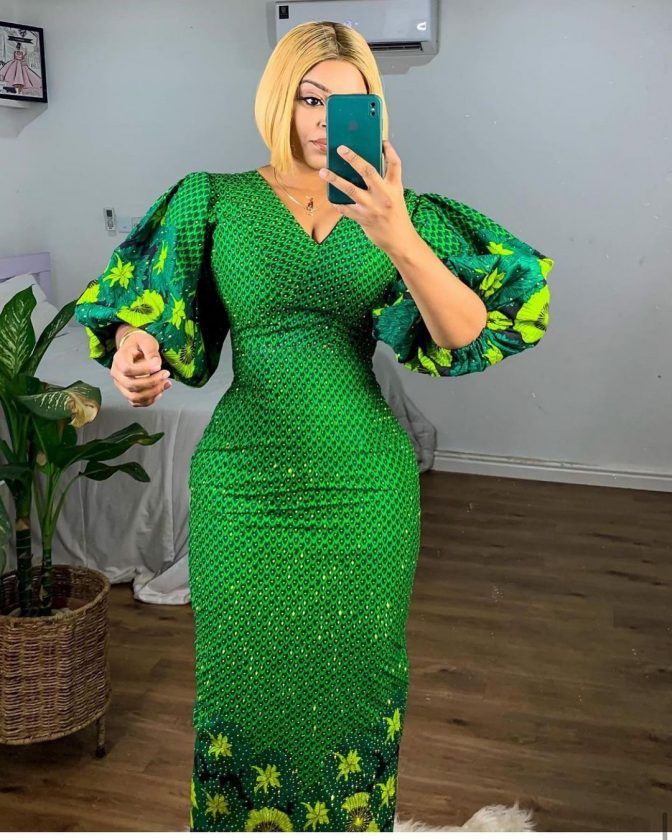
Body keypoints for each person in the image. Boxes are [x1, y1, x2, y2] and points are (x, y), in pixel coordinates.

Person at [74, 20, 554, 833]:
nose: (326, 119)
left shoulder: (403, 212)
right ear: (279, 101)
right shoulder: (212, 200)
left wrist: (397, 234)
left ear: (376, 109)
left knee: (357, 688)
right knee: (242, 691)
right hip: (245, 489)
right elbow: (139, 307)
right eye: (309, 98)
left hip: (364, 488)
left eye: (349, 101)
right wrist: (131, 348)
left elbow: (468, 332)